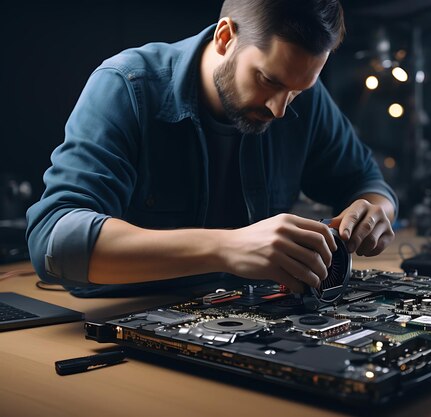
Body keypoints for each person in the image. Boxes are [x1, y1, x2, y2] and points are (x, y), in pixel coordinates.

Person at [26, 0, 398, 297]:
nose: (280, 109)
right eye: (268, 80)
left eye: (298, 91)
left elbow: (366, 181)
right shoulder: (127, 87)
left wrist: (376, 210)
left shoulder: (303, 100)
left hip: (251, 320)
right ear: (225, 37)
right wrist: (226, 248)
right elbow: (55, 241)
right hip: (126, 317)